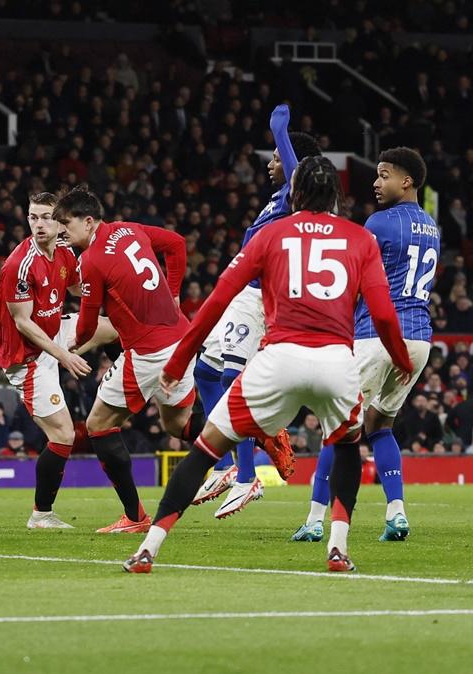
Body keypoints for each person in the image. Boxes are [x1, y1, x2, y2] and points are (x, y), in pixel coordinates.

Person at [125, 156, 413, 574]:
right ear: (336, 195)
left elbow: (218, 300)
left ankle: (149, 549)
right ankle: (337, 548)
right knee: (348, 446)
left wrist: (179, 359)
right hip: (336, 361)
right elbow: (385, 316)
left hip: (278, 359)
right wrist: (400, 360)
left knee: (206, 449)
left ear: (294, 194)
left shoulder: (271, 233)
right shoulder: (359, 239)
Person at [291, 147, 439, 543]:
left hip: (377, 334)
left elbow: (354, 274)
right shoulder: (432, 226)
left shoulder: (379, 222)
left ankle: (316, 519)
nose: (376, 182)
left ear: (406, 181)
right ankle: (397, 514)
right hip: (419, 339)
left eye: (384, 174)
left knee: (337, 428)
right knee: (379, 424)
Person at [193, 105, 318, 517]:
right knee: (206, 372)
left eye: (277, 157)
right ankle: (231, 466)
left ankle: (248, 480)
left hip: (261, 296)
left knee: (232, 375)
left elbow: (298, 170)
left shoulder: (296, 197)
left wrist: (280, 129)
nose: (271, 164)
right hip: (240, 293)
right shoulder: (274, 199)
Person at [56, 187, 204, 533]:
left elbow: (88, 324)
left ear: (89, 221)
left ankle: (135, 517)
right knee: (176, 424)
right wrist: (175, 293)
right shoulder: (129, 228)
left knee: (97, 425)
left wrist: (67, 349)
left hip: (149, 353)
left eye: (67, 224)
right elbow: (177, 244)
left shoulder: (91, 260)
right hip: (181, 339)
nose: (63, 231)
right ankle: (257, 433)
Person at [0, 192, 97, 530]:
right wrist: (63, 355)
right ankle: (41, 514)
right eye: (33, 217)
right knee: (64, 434)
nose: (39, 224)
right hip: (27, 356)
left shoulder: (65, 250)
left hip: (54, 331)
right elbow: (23, 322)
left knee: (110, 328)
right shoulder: (18, 266)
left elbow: (80, 290)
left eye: (47, 217)